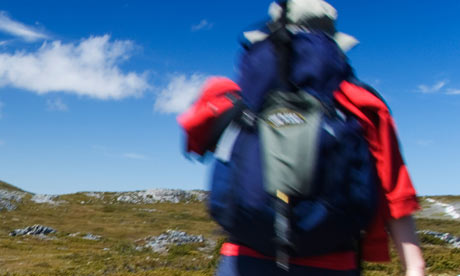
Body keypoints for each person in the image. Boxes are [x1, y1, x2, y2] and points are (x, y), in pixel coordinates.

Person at [213, 0, 425, 275]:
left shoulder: (243, 97)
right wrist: (414, 266)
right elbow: (395, 191)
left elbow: (198, 137)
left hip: (242, 259)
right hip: (331, 262)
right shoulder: (359, 101)